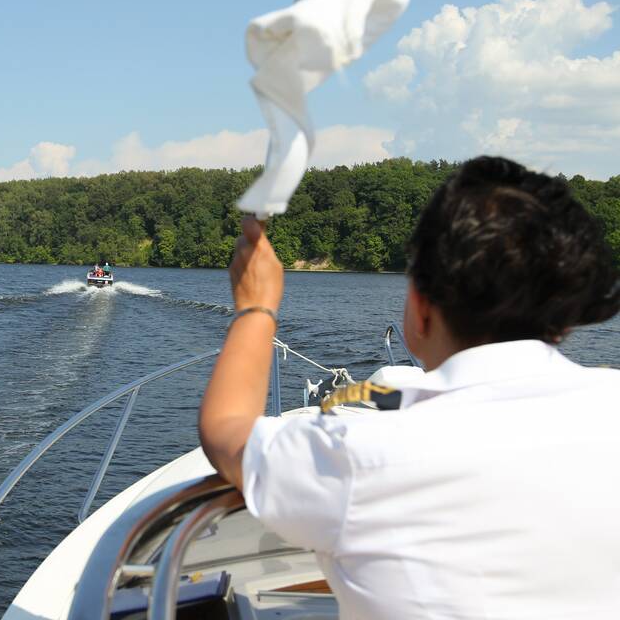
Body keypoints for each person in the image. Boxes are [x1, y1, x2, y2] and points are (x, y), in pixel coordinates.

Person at [198, 156, 620, 619]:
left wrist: (256, 307)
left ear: (421, 308)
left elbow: (226, 430)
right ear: (563, 315)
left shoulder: (361, 452)